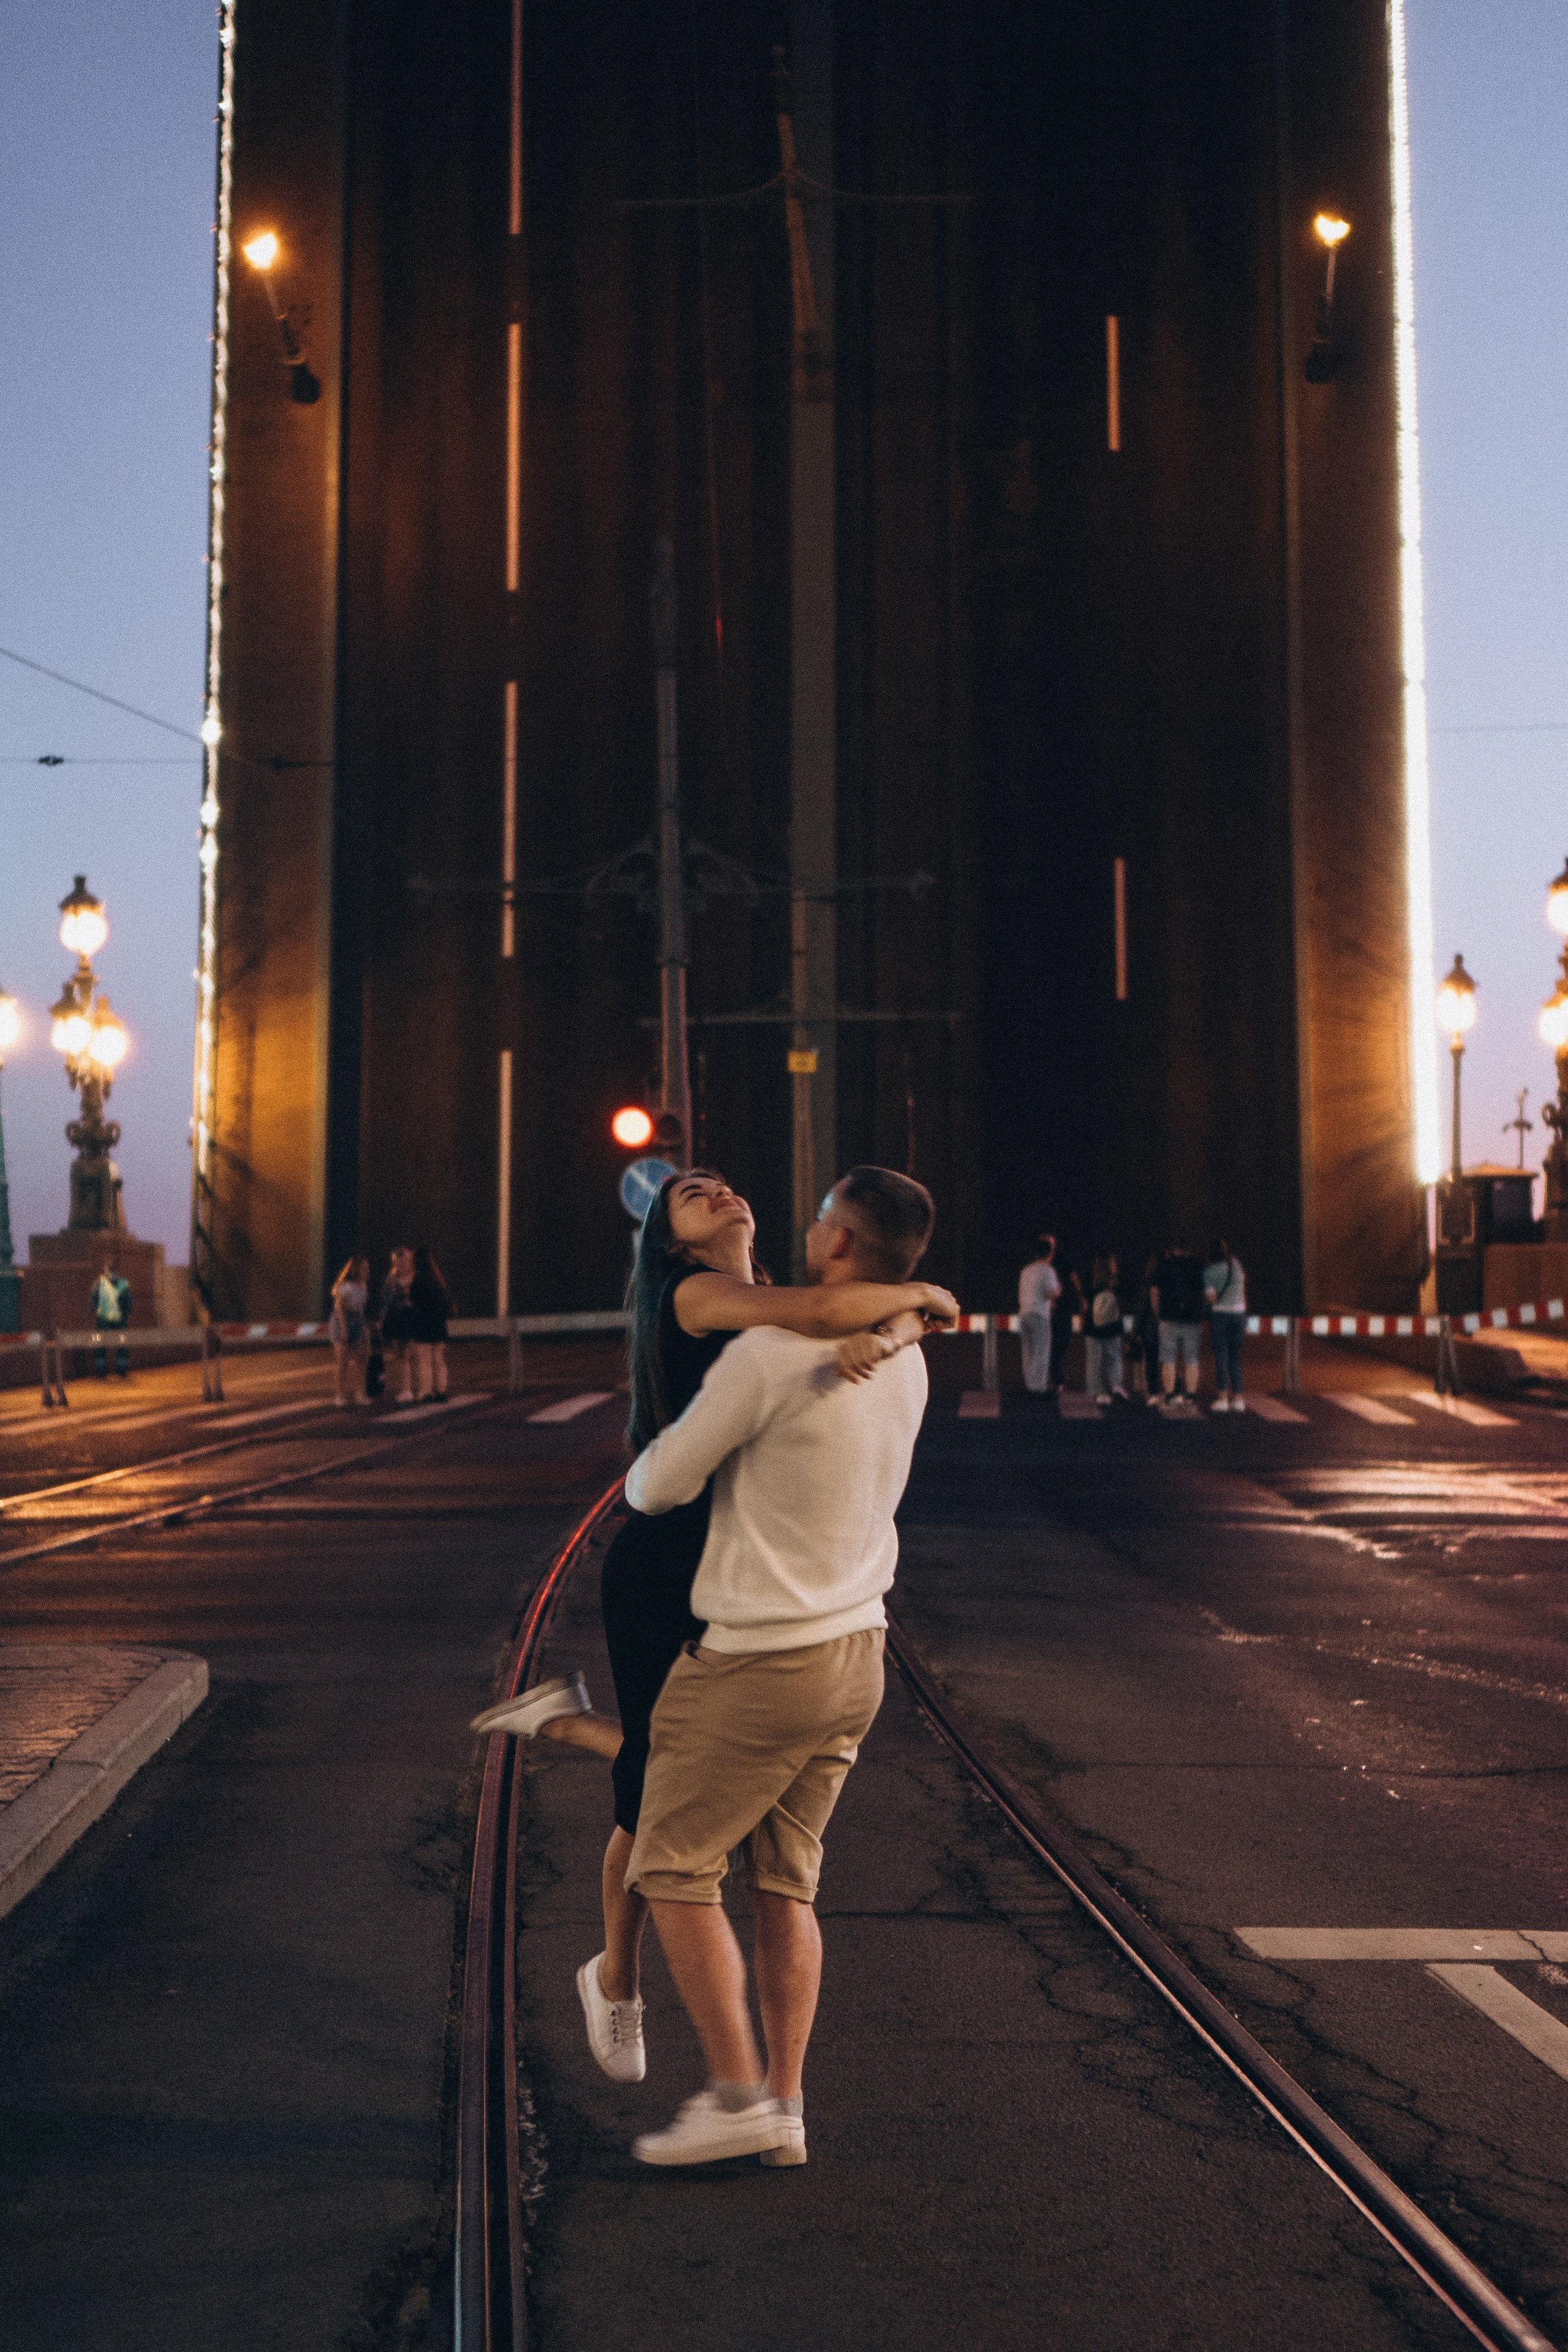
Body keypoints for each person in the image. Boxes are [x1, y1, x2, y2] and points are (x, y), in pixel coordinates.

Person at [469, 1167, 956, 2094]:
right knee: (659, 1786)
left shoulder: (782, 1294)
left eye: (729, 1184)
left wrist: (896, 1320)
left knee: (702, 1771)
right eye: (694, 1196)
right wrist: (920, 1297)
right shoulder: (699, 1294)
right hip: (670, 1560)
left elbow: (835, 1317)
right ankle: (617, 1977)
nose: (722, 1193)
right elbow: (820, 1317)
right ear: (673, 1240)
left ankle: (564, 1723)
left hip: (745, 1561)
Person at [615, 1166, 943, 2168]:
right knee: (786, 1888)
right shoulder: (905, 1360)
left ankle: (737, 2092)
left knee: (669, 1866)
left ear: (839, 1247)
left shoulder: (764, 1354)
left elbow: (656, 1484)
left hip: (761, 1655)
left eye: (820, 1221)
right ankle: (788, 2110)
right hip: (859, 1651)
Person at [1151, 1241, 1206, 1409]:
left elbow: (1154, 1291)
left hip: (1168, 1317)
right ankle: (1190, 1396)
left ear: (1174, 1249)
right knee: (1192, 1359)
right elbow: (1205, 1293)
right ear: (1189, 1250)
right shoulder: (1199, 1267)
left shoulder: (1165, 1266)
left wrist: (1158, 1314)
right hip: (1193, 1319)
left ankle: (1169, 1396)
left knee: (1168, 1359)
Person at [1204, 1237, 1248, 1412]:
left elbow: (1211, 1298)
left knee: (1221, 1356)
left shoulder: (1209, 1272)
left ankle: (1222, 1398)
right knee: (1234, 1357)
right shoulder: (1236, 1267)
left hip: (1220, 1315)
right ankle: (1238, 1399)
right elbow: (1243, 1288)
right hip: (1239, 1315)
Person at [1017, 1234, 1061, 1393]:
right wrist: (1059, 1290)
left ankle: (1030, 1384)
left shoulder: (1026, 1271)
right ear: (1050, 1254)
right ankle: (1039, 1387)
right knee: (1041, 1350)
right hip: (1040, 1314)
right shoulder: (1048, 1270)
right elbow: (1052, 1294)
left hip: (1024, 1312)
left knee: (1028, 1350)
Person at [407, 1245, 451, 1400]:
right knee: (439, 1360)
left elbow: (413, 1301)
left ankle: (426, 1391)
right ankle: (441, 1391)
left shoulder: (418, 1279)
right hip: (438, 1324)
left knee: (425, 1361)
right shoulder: (438, 1280)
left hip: (423, 1324)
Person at [329, 1256, 371, 1404]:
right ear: (356, 1269)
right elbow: (339, 1308)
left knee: (362, 1360)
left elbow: (360, 1308)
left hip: (356, 1320)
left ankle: (361, 1393)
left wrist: (364, 1326)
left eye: (367, 1267)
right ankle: (339, 1395)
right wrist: (344, 1330)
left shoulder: (364, 1285)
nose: (367, 1270)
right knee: (343, 1362)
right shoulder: (347, 1287)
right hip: (343, 1320)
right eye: (364, 1267)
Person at [1085, 1254, 1126, 1404]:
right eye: (1114, 1263)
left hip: (1093, 1326)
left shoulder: (1092, 1283)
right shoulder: (1114, 1283)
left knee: (1094, 1360)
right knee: (1114, 1358)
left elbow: (1086, 1303)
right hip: (1112, 1327)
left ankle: (1096, 1390)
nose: (1116, 1266)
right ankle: (1116, 1386)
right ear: (1109, 1266)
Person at [380, 1245, 415, 1404]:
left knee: (417, 1354)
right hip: (398, 1318)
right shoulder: (392, 1279)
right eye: (397, 1261)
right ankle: (406, 1389)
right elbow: (386, 1299)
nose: (400, 1264)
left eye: (404, 1261)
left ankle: (422, 1388)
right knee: (401, 1355)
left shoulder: (416, 1277)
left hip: (412, 1318)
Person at [90, 1257, 132, 1378]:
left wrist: (96, 1311)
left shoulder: (100, 1282)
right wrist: (125, 1315)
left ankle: (101, 1370)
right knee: (122, 1344)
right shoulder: (123, 1283)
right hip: (119, 1320)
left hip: (103, 1320)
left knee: (100, 1344)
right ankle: (121, 1369)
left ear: (106, 1269)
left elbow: (93, 1299)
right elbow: (128, 1303)